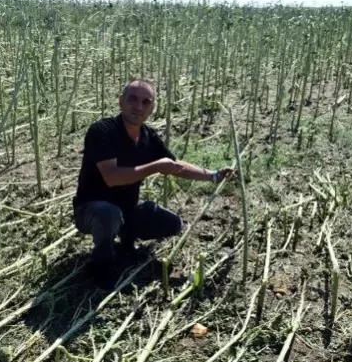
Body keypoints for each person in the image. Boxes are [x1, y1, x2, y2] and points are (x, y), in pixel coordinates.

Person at [72, 78, 237, 289]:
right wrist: (155, 167)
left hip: (127, 210)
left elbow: (174, 165)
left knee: (173, 224)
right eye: (132, 99)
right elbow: (112, 177)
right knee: (108, 213)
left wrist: (214, 176)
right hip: (91, 211)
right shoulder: (102, 131)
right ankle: (102, 265)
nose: (138, 107)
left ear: (152, 108)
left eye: (145, 102)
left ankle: (126, 238)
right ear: (120, 101)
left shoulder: (148, 136)